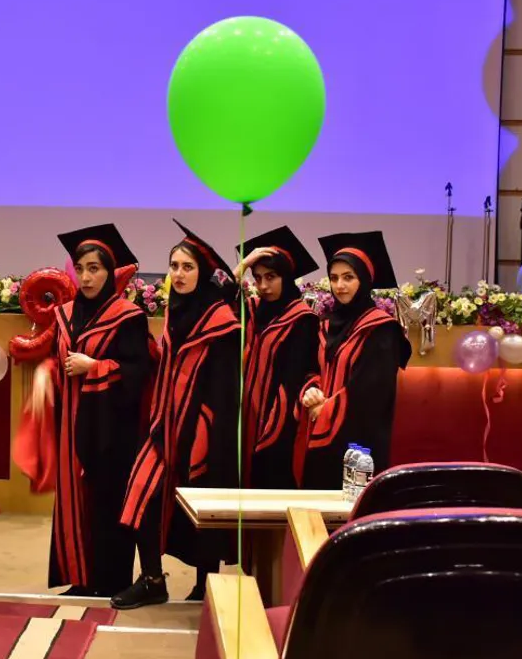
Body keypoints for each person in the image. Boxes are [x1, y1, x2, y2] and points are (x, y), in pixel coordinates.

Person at [15, 224, 154, 597]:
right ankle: (79, 578)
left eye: (95, 269)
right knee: (74, 502)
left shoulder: (128, 316)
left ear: (110, 272)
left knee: (108, 501)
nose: (87, 277)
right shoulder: (64, 314)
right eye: (81, 269)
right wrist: (46, 373)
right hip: (73, 423)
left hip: (113, 428)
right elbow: (60, 360)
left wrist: (95, 367)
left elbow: (138, 372)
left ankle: (109, 581)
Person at [114, 221, 239, 609]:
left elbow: (225, 389)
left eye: (188, 267)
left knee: (204, 505)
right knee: (140, 494)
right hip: (164, 426)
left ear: (202, 273)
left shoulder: (222, 322)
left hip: (202, 429)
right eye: (174, 266)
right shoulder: (175, 311)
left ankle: (206, 583)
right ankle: (153, 579)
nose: (179, 274)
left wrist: (204, 432)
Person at [300, 231, 411, 487]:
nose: (340, 285)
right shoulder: (326, 325)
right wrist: (312, 391)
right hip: (320, 436)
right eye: (334, 278)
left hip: (359, 444)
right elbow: (311, 369)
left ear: (364, 279)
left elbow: (370, 391)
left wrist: (326, 410)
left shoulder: (381, 329)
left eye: (348, 277)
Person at [233, 226, 322, 490]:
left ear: (287, 276)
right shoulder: (252, 310)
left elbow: (295, 377)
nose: (263, 286)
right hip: (244, 418)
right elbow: (215, 303)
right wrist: (242, 265)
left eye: (271, 277)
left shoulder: (303, 319)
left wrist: (271, 429)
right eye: (257, 278)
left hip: (280, 423)